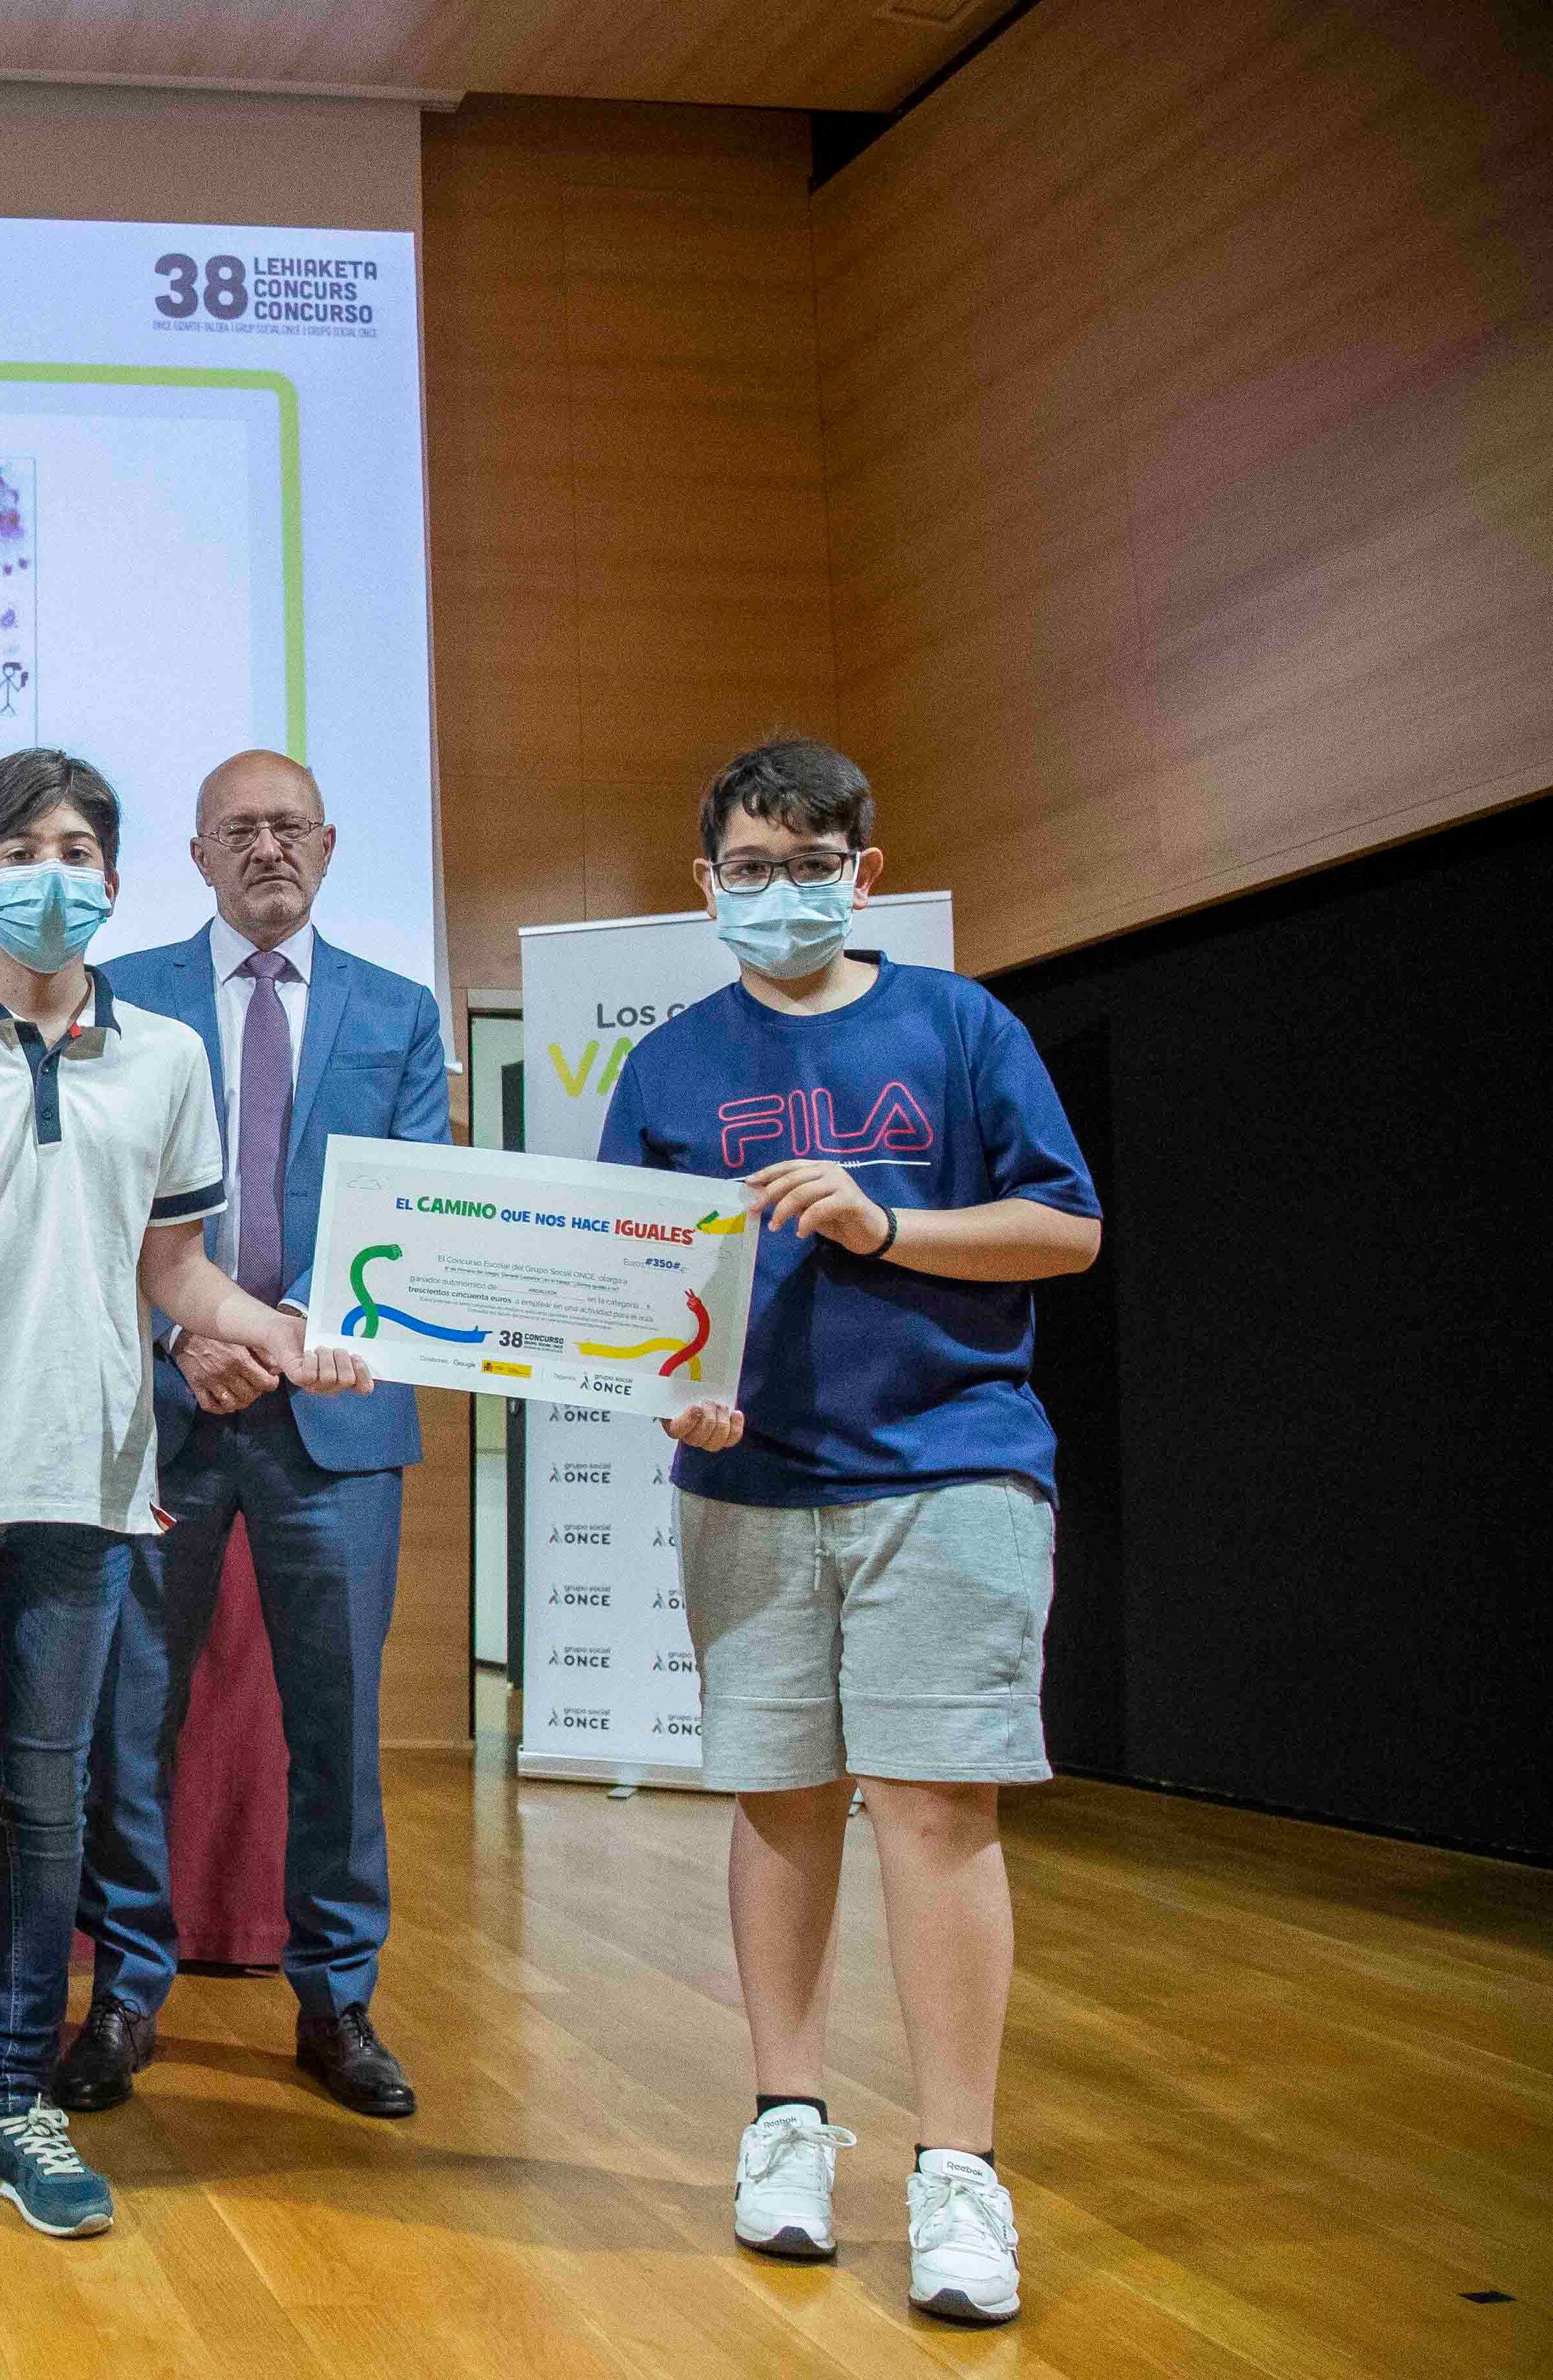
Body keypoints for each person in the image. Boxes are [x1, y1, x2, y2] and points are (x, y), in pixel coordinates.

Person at [0, 750, 367, 2244]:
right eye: (22, 852)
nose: (57, 874)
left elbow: (176, 1274)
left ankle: (17, 2102)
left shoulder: (168, 1058)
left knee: (47, 1803)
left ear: (114, 879)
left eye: (80, 847)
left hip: (89, 1489)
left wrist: (287, 1335)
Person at [598, 737, 1099, 2329]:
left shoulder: (959, 1024)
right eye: (749, 869)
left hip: (951, 1466)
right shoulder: (669, 1063)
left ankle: (958, 2165)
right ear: (707, 884)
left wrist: (888, 1221)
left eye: (810, 866)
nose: (779, 892)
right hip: (752, 1483)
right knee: (779, 1800)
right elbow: (630, 1294)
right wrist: (673, 1395)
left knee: (940, 1809)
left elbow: (1067, 1228)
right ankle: (786, 2122)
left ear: (863, 873)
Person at [62, 751, 446, 2119]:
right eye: (241, 829)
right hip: (155, 1408)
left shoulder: (398, 1014)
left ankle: (337, 1994)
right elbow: (86, 1196)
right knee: (131, 1715)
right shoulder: (123, 998)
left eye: (289, 826)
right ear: (199, 854)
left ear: (330, 847)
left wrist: (279, 1331)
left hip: (334, 1413)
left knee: (336, 1720)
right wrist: (189, 1333)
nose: (268, 847)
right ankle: (125, 1986)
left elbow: (419, 1204)